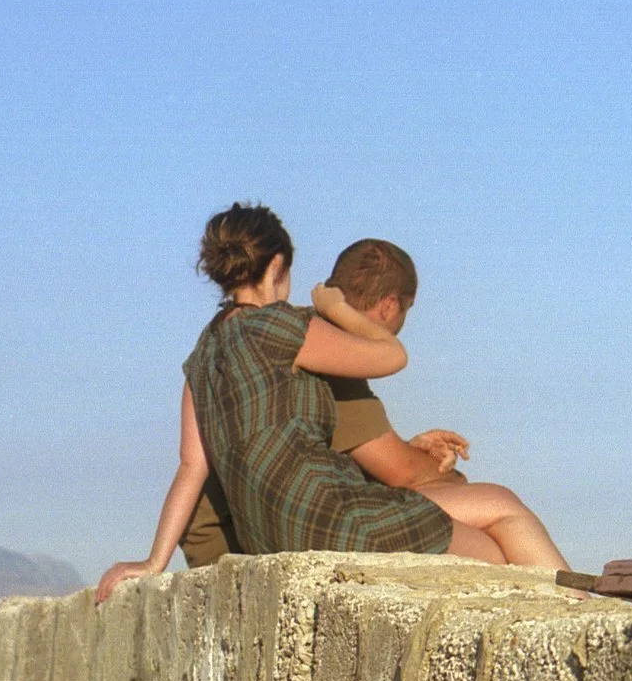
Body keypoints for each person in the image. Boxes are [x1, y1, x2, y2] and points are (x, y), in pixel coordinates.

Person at [96, 207, 565, 601]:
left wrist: (154, 560)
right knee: (502, 521)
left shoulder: (202, 355)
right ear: (278, 266)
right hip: (330, 517)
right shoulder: (278, 326)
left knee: (489, 549)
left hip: (269, 540)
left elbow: (190, 467)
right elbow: (392, 355)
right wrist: (335, 306)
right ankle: (580, 610)